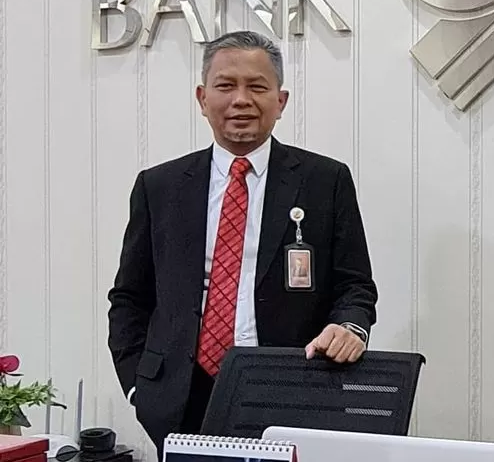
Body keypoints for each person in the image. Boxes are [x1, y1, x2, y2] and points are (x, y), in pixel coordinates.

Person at [106, 31, 377, 457]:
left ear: (280, 101)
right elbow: (129, 298)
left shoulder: (325, 181)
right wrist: (139, 388)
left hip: (287, 385)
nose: (241, 100)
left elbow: (355, 286)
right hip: (181, 393)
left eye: (257, 87)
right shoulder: (160, 186)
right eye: (226, 85)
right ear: (202, 98)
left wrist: (349, 327)